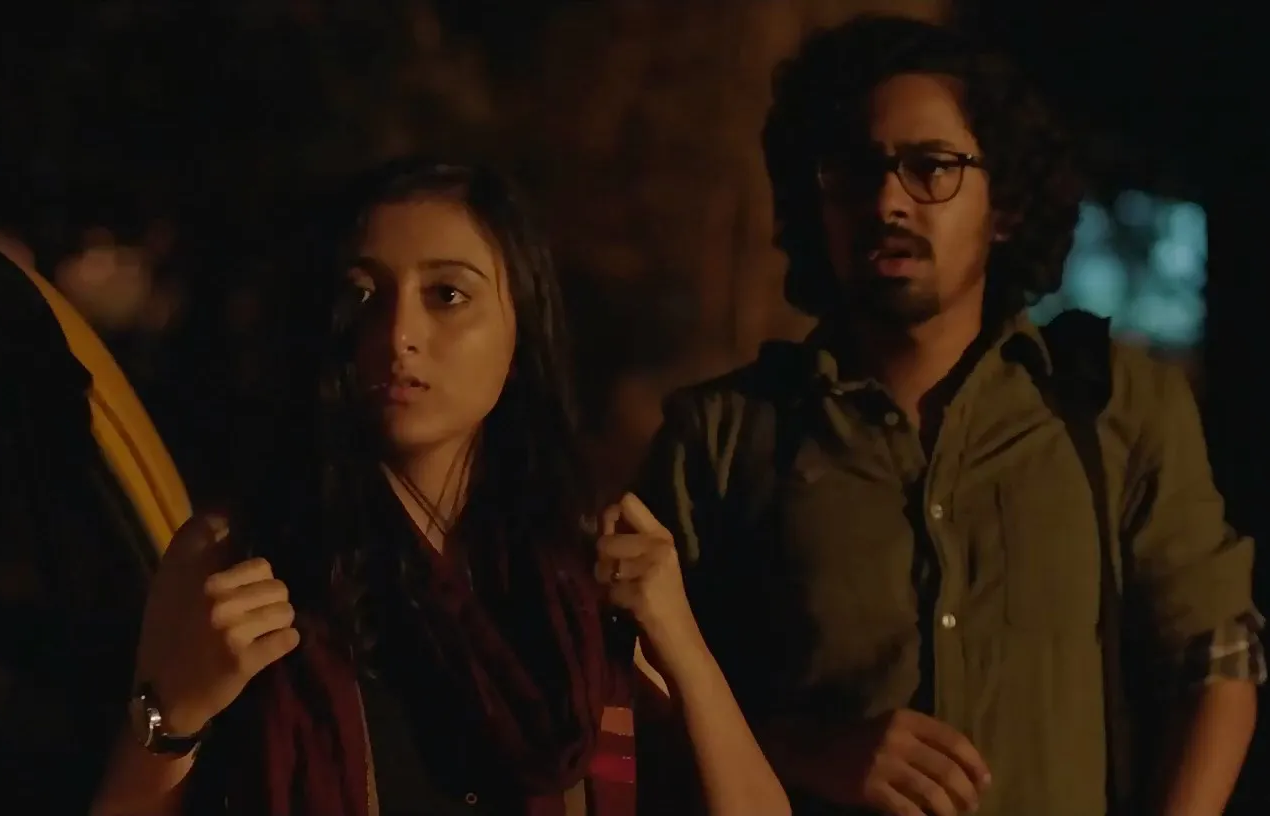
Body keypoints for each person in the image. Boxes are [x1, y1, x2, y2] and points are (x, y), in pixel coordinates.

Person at [632, 16, 1264, 816]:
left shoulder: (1112, 407)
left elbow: (1215, 662)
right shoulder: (724, 437)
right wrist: (808, 751)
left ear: (1005, 205)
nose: (887, 201)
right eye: (856, 171)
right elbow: (635, 696)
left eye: (932, 168)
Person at [91, 158, 788, 816]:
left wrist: (681, 642)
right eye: (363, 295)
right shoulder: (235, 560)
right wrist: (175, 711)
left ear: (519, 334)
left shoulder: (579, 579)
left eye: (447, 295)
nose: (399, 333)